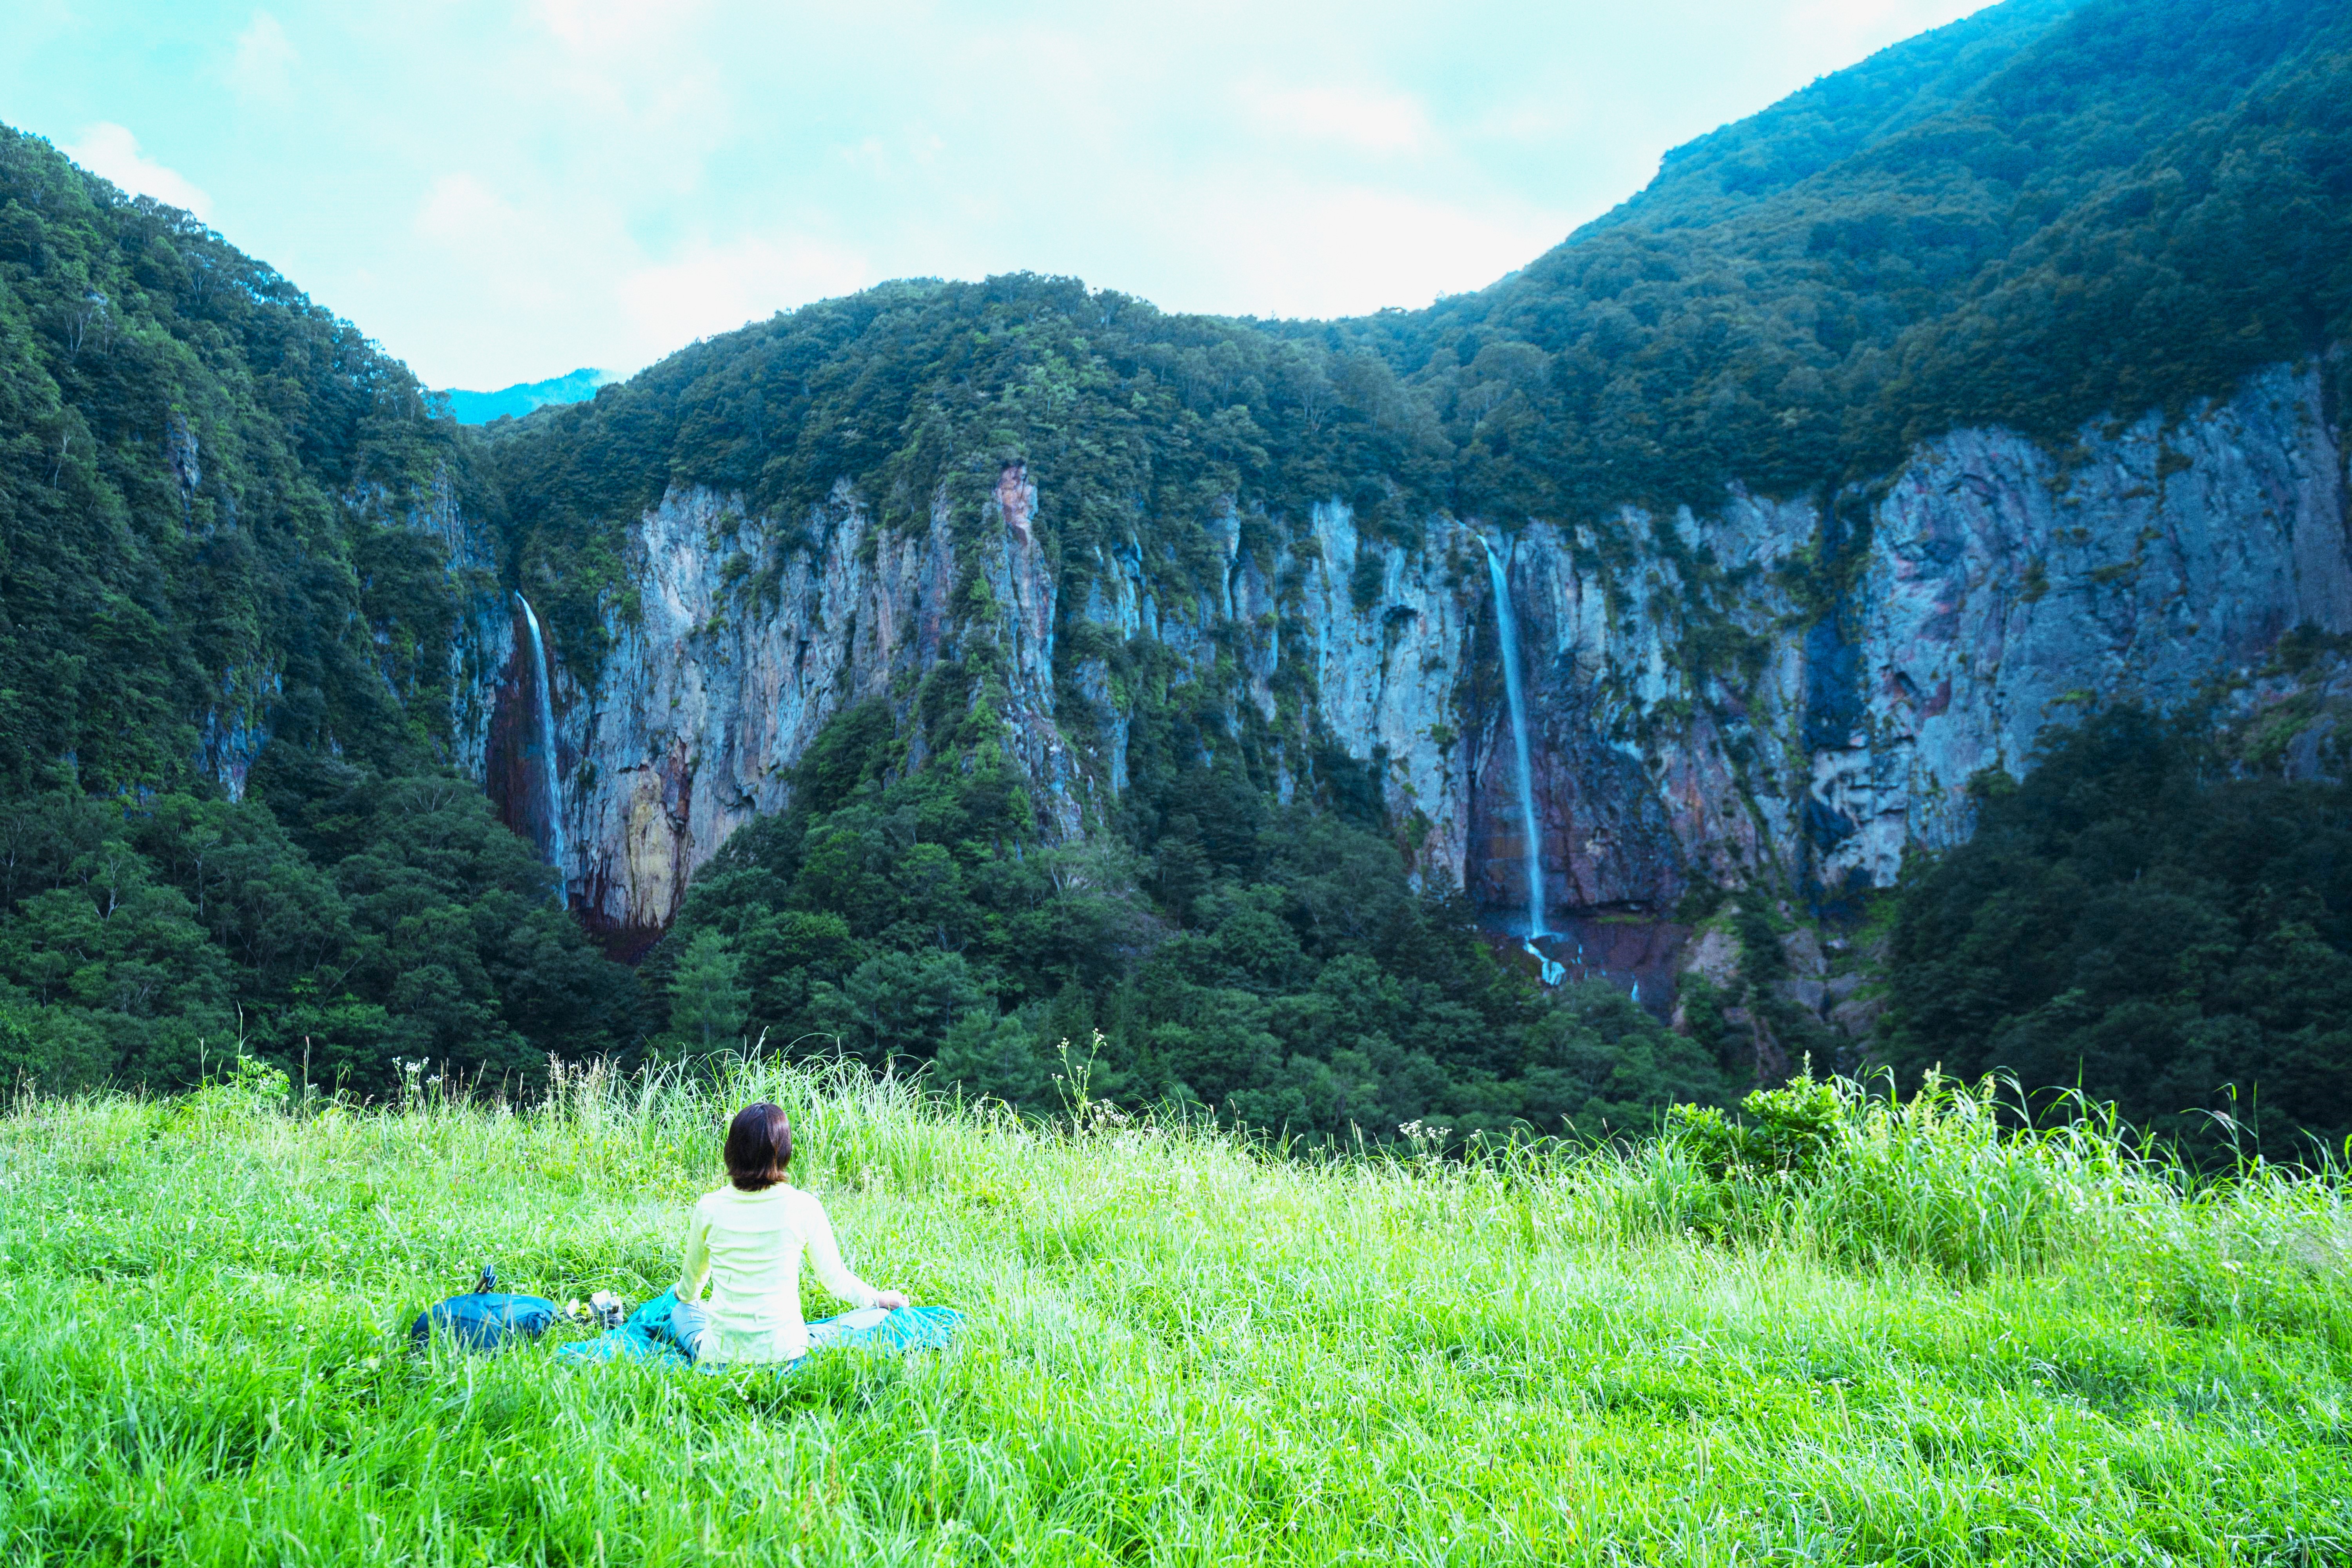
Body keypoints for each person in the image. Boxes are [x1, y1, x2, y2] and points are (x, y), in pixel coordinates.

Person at [671, 1101, 910, 1365]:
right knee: (872, 1316)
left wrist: (686, 1298)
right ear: (783, 1152)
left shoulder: (709, 1207)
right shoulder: (803, 1206)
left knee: (681, 1310)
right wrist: (879, 1298)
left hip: (720, 1355)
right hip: (787, 1350)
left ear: (732, 1150)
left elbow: (691, 1288)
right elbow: (836, 1280)